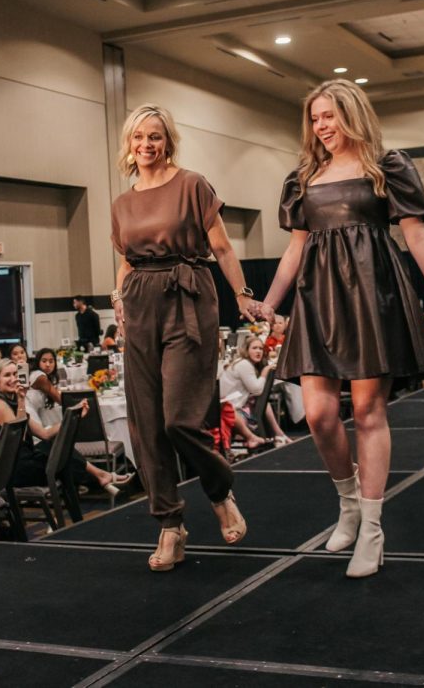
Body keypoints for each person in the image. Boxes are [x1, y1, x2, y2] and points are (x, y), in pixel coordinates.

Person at [257, 80, 424, 578]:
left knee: (369, 411)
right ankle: (348, 504)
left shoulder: (386, 167)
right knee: (319, 416)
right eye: (315, 118)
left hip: (373, 297)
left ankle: (371, 528)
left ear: (351, 114)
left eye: (329, 115)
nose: (321, 126)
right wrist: (269, 302)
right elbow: (296, 248)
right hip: (318, 301)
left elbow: (417, 236)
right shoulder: (303, 176)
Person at [110, 103, 253, 572]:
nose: (146, 145)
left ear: (167, 140)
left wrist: (243, 295)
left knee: (178, 420)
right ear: (129, 144)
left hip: (188, 296)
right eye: (138, 138)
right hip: (139, 303)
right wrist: (118, 299)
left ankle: (218, 489)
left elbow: (222, 246)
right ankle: (170, 525)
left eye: (155, 136)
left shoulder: (192, 184)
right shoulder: (122, 203)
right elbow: (128, 260)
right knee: (145, 424)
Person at [0, 359, 126, 495]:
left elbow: (44, 434)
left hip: (25, 461)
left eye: (16, 374)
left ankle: (99, 478)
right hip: (13, 469)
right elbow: (18, 438)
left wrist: (73, 415)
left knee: (57, 447)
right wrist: (21, 399)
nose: (13, 378)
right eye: (7, 375)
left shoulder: (14, 404)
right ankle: (99, 477)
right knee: (59, 457)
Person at [25, 349, 132, 494]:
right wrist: (76, 407)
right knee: (58, 444)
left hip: (37, 423)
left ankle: (96, 477)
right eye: (44, 361)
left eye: (51, 361)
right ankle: (99, 476)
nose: (48, 364)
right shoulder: (38, 376)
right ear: (37, 362)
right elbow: (59, 398)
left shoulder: (41, 379)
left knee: (61, 445)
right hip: (33, 427)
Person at [219, 336, 291, 445]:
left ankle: (278, 434)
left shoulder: (246, 363)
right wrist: (265, 371)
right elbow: (257, 390)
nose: (258, 351)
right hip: (230, 406)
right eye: (254, 348)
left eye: (260, 349)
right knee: (261, 400)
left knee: (264, 403)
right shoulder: (244, 364)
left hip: (237, 403)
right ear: (247, 350)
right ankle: (275, 434)